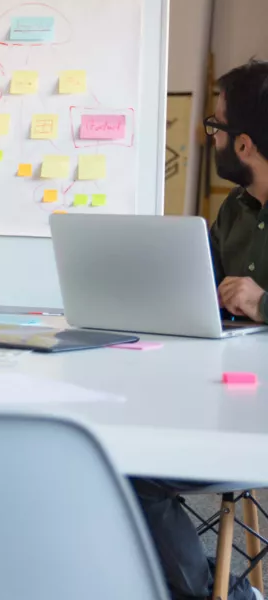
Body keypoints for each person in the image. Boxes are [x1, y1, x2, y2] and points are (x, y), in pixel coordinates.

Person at [133, 59, 268, 600]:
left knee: (134, 476)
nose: (208, 136)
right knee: (120, 460)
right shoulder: (234, 211)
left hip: (253, 422)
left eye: (215, 126)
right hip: (227, 397)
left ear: (243, 145)